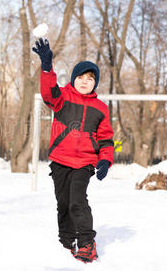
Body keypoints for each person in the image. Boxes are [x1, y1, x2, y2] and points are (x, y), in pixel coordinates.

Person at [32, 38, 114, 263]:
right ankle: (67, 239)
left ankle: (87, 243)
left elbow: (106, 138)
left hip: (84, 162)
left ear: (95, 83)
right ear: (73, 80)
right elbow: (48, 92)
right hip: (60, 160)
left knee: (78, 200)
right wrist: (47, 67)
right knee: (63, 203)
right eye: (81, 77)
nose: (85, 82)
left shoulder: (100, 108)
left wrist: (105, 160)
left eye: (90, 79)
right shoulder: (63, 98)